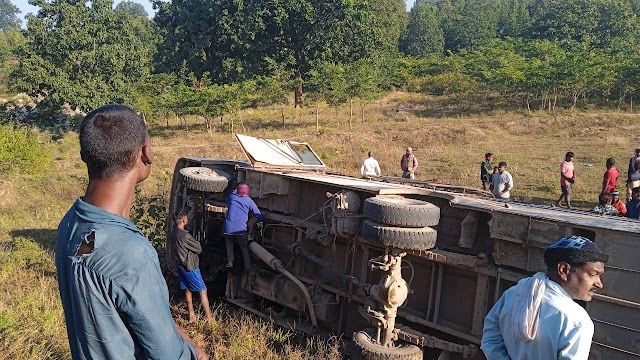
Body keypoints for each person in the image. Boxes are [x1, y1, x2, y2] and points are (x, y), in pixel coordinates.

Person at [55, 105, 208, 360]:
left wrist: (173, 331)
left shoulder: (70, 223)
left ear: (84, 156)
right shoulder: (131, 254)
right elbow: (168, 356)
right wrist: (194, 352)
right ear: (145, 153)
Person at [481, 235, 608, 359]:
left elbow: (490, 339)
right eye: (593, 274)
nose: (599, 284)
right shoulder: (576, 320)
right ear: (563, 270)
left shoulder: (513, 294)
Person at [171, 210, 213, 322]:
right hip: (190, 266)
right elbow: (198, 249)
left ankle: (191, 315)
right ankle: (209, 318)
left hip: (180, 265)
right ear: (184, 220)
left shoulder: (173, 233)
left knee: (187, 289)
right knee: (203, 290)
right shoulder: (185, 236)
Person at [224, 181, 267, 270]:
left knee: (229, 242)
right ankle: (249, 268)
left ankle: (230, 260)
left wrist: (234, 191)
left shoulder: (232, 198)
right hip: (240, 230)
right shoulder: (249, 201)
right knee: (244, 248)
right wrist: (265, 217)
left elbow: (226, 199)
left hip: (227, 229)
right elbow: (257, 214)